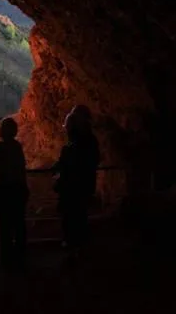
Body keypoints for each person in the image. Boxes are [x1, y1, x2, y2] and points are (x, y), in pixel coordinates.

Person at [53, 105, 100, 255]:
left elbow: (69, 164)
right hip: (84, 186)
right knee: (80, 217)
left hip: (73, 189)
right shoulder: (90, 142)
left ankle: (74, 248)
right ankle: (81, 249)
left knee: (72, 218)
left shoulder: (74, 146)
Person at [0, 117, 28, 270]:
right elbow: (21, 169)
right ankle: (21, 257)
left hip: (4, 189)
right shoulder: (17, 146)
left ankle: (7, 259)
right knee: (19, 224)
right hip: (18, 189)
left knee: (5, 225)